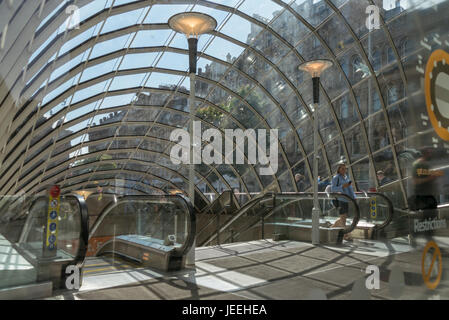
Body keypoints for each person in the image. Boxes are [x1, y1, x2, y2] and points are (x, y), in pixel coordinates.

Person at [330, 163, 356, 241]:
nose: (344, 170)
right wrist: (342, 187)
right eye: (342, 169)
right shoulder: (336, 178)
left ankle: (331, 229)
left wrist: (354, 198)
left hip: (346, 199)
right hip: (339, 200)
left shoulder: (346, 177)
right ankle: (346, 235)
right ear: (338, 169)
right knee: (343, 218)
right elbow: (333, 189)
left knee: (343, 218)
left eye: (345, 169)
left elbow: (350, 189)